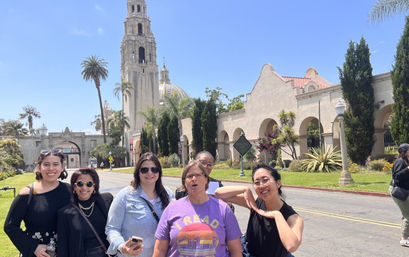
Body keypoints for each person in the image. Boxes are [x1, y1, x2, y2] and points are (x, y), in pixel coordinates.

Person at [153, 160, 242, 257]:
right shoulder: (172, 209)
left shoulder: (223, 209)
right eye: (189, 176)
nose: (194, 179)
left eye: (198, 175)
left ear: (206, 179)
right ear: (184, 182)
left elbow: (235, 250)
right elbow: (159, 250)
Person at [215, 164, 304, 257]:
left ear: (278, 183)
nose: (261, 186)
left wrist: (277, 215)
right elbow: (218, 193)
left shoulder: (293, 217)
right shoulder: (255, 202)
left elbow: (292, 246)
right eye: (257, 182)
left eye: (265, 180)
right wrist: (245, 189)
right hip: (248, 252)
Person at [4, 149, 71, 257]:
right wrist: (33, 247)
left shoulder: (69, 190)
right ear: (39, 167)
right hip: (38, 254)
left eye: (55, 164)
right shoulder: (27, 193)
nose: (51, 168)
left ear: (62, 167)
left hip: (65, 251)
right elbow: (10, 226)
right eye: (46, 164)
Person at [105, 152, 174, 257]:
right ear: (138, 172)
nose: (149, 173)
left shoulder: (169, 195)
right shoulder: (124, 196)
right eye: (144, 170)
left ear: (159, 172)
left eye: (154, 169)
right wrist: (122, 246)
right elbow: (112, 228)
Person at [57, 167, 113, 257]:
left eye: (89, 184)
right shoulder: (65, 213)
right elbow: (63, 247)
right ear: (74, 187)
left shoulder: (107, 201)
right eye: (80, 184)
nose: (84, 188)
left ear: (94, 186)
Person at [389, 143, 409, 247]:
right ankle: (404, 239)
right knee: (408, 214)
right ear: (405, 151)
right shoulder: (400, 162)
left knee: (406, 213)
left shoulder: (406, 161)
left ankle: (406, 234)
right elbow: (396, 176)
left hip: (404, 189)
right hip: (399, 191)